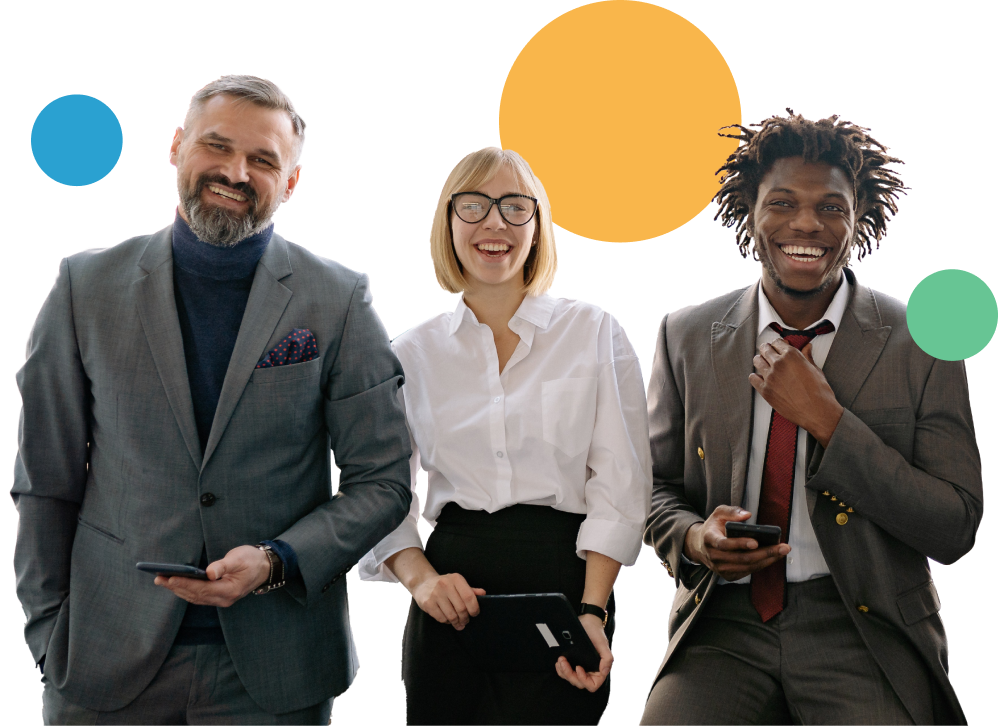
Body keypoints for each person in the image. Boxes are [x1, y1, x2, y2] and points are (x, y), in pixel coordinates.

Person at [12, 74, 413, 724]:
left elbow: (384, 481)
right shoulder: (84, 286)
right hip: (101, 660)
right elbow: (44, 480)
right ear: (176, 146)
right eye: (216, 146)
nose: (234, 171)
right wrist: (46, 632)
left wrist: (277, 560)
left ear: (290, 182)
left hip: (277, 673)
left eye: (262, 160)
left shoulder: (337, 299)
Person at [638, 109, 983, 725]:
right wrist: (695, 538)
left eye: (830, 207)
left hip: (860, 626)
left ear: (858, 220)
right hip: (724, 626)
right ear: (748, 212)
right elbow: (653, 489)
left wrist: (829, 422)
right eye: (782, 203)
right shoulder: (685, 335)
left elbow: (954, 526)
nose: (806, 223)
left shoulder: (920, 342)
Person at [356, 146, 652, 725]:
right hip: (451, 596)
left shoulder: (593, 330)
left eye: (516, 207)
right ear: (448, 223)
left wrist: (592, 610)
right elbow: (378, 487)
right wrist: (421, 582)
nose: (495, 223)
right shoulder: (410, 352)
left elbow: (621, 482)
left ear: (538, 226)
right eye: (475, 205)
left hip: (565, 585)